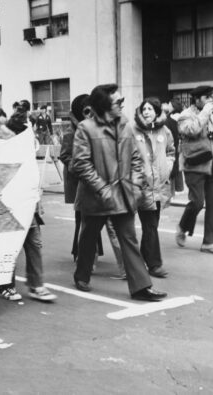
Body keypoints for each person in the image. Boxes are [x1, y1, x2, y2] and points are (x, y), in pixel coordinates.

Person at [72, 83, 167, 301]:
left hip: (123, 194)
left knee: (129, 238)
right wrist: (102, 188)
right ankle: (82, 274)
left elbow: (135, 156)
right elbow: (81, 164)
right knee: (88, 237)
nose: (123, 105)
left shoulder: (125, 126)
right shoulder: (86, 128)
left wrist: (134, 183)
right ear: (105, 104)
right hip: (97, 197)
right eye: (119, 101)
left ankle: (141, 287)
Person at [0, 108, 57, 303]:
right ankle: (6, 285)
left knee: (34, 243)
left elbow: (32, 178)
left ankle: (36, 285)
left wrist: (37, 202)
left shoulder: (25, 148)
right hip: (9, 206)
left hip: (27, 204)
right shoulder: (3, 150)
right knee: (11, 245)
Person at [60, 94, 125, 279]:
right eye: (86, 110)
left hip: (106, 185)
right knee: (86, 228)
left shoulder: (106, 128)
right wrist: (80, 167)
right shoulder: (72, 132)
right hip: (84, 185)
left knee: (111, 228)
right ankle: (86, 264)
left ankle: (124, 267)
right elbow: (66, 156)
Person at [126, 97, 174, 278]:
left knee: (151, 226)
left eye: (150, 109)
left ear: (157, 112)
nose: (146, 112)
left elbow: (171, 151)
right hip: (141, 185)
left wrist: (168, 166)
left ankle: (145, 259)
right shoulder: (132, 130)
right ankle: (154, 264)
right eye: (144, 108)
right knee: (150, 225)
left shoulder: (165, 130)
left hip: (159, 186)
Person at [176, 85, 213, 255]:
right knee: (197, 202)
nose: (210, 101)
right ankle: (183, 226)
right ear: (197, 99)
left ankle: (209, 242)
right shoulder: (185, 116)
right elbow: (192, 130)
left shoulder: (212, 116)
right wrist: (205, 112)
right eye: (207, 98)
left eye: (211, 97)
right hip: (194, 165)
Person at [164, 98, 184, 193]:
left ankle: (173, 190)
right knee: (178, 166)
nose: (168, 106)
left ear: (173, 106)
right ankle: (179, 187)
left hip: (172, 145)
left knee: (172, 166)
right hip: (181, 145)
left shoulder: (169, 119)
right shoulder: (183, 117)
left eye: (169, 104)